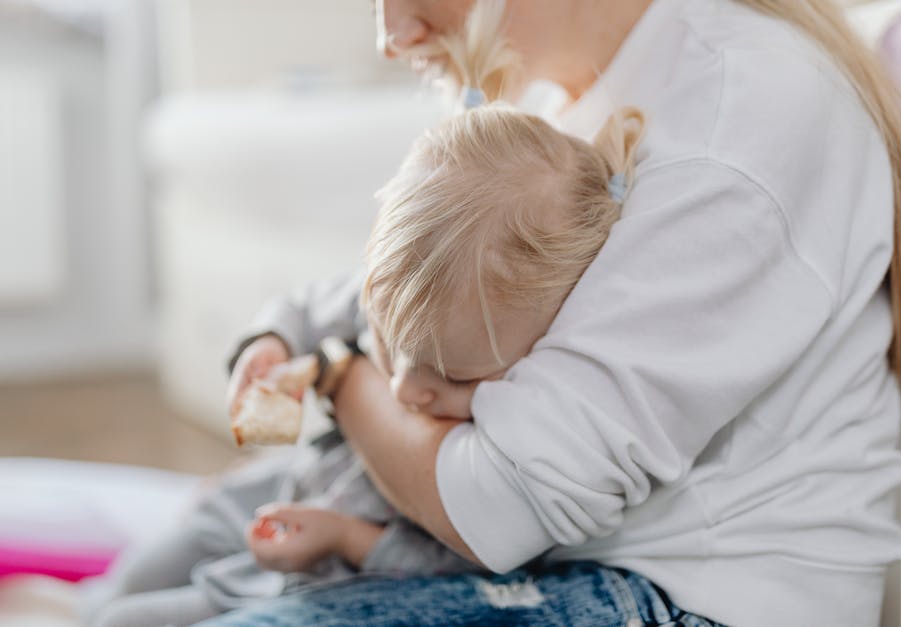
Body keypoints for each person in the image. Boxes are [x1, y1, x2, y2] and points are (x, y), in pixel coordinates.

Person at [198, 0, 901, 626]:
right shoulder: (577, 98)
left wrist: (338, 371)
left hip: (686, 596)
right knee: (211, 545)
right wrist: (287, 334)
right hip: (581, 563)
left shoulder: (737, 122)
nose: (392, 35)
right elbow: (405, 284)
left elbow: (498, 504)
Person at [85, 5, 651, 625]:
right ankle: (76, 602)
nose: (404, 387)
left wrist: (344, 538)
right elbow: (308, 308)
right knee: (138, 573)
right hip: (269, 494)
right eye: (390, 344)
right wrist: (267, 346)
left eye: (452, 378)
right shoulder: (411, 299)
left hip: (306, 570)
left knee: (126, 621)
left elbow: (468, 564)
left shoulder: (515, 443)